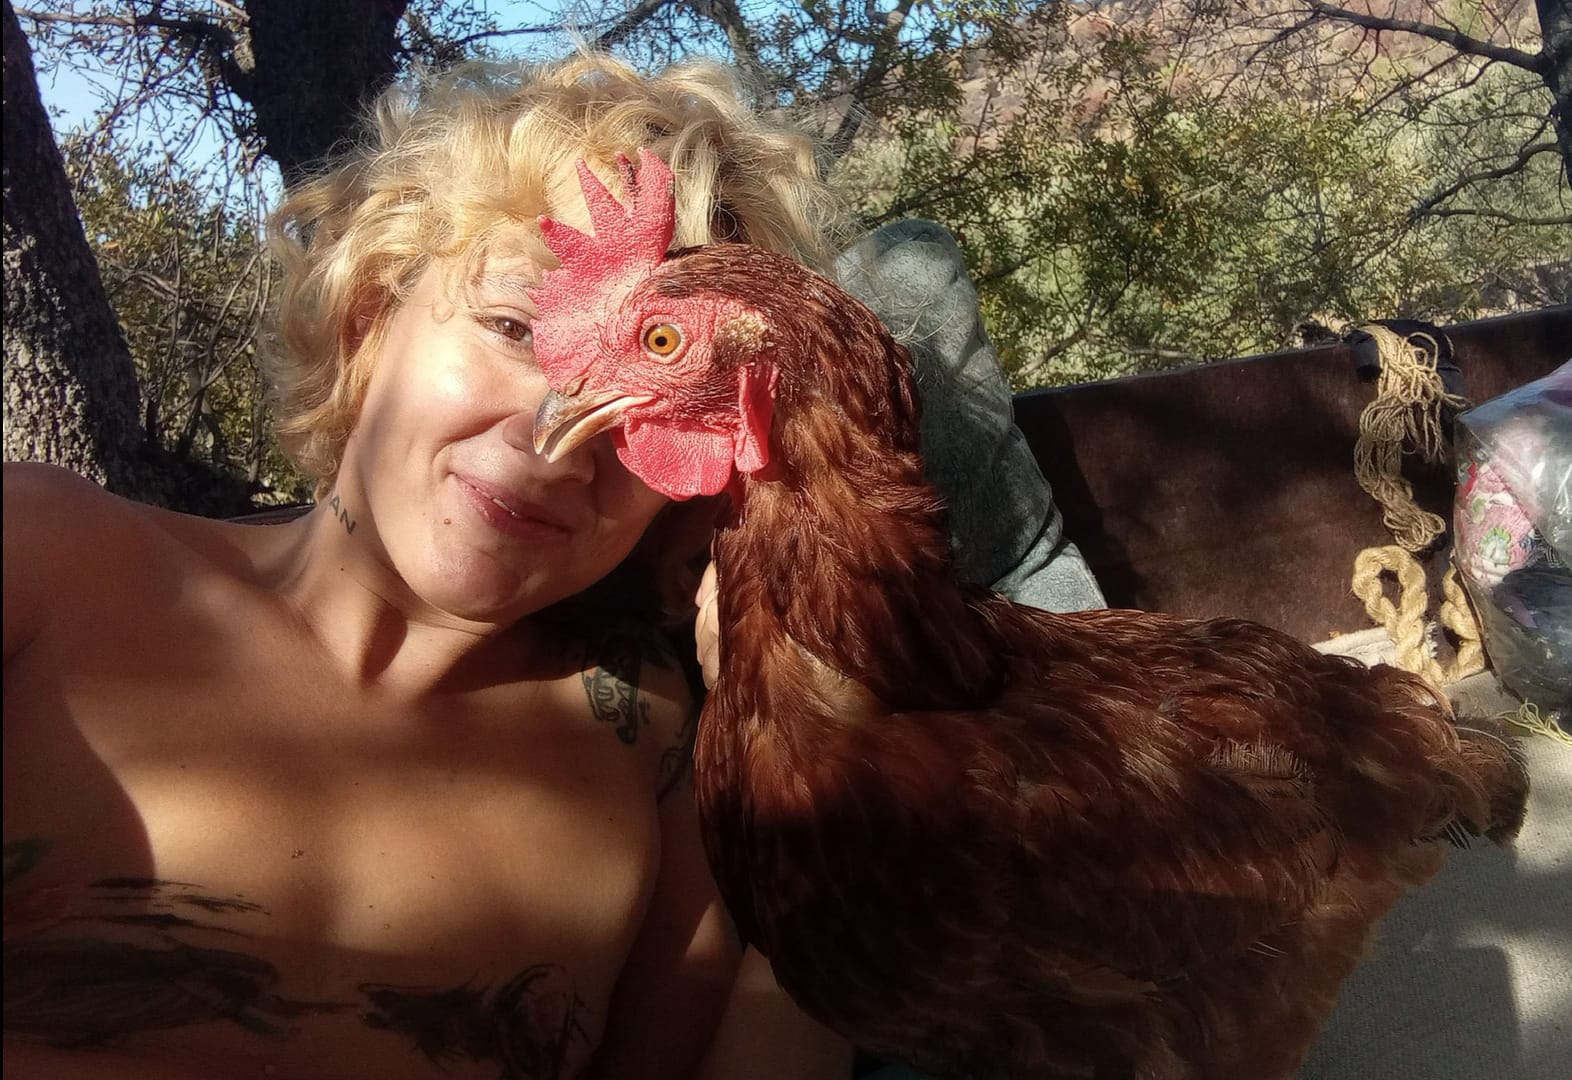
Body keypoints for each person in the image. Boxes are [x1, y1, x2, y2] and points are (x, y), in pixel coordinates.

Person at [3, 51, 1099, 1080]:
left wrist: (818, 796)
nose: (551, 435)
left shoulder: (677, 767)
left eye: (668, 377)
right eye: (515, 326)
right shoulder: (44, 554)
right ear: (371, 314)